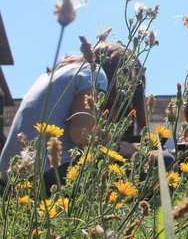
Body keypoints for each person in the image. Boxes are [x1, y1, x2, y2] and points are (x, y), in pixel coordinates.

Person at [0, 44, 146, 189]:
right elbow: (81, 133)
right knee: (157, 162)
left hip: (8, 180)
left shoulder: (48, 76)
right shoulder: (94, 72)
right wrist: (120, 147)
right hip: (47, 178)